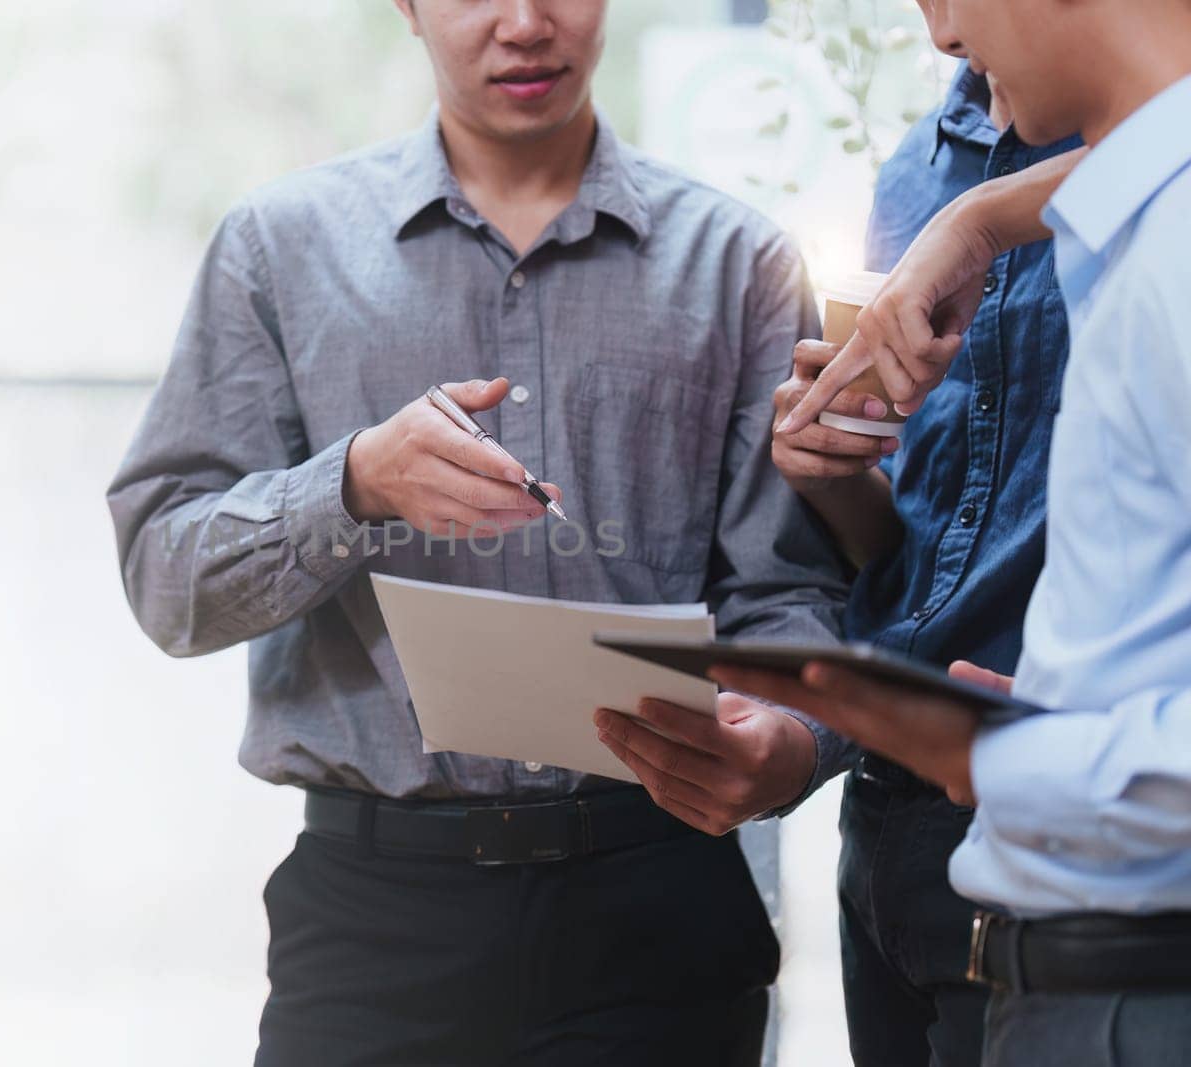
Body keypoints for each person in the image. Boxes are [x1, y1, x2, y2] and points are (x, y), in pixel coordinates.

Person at [107, 1, 849, 1062]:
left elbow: (790, 594)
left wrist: (796, 744)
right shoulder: (280, 247)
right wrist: (352, 485)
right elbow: (164, 580)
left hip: (658, 902)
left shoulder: (739, 265)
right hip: (375, 920)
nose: (524, 23)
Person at [597, 11, 1081, 1064]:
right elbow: (907, 546)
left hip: (1064, 816)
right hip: (888, 820)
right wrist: (837, 473)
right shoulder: (917, 166)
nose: (944, 29)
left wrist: (988, 219)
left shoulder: (1142, 166)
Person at [728, 1, 1191, 1062]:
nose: (937, 34)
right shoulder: (947, 180)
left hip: (1124, 946)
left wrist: (1033, 749)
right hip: (963, 862)